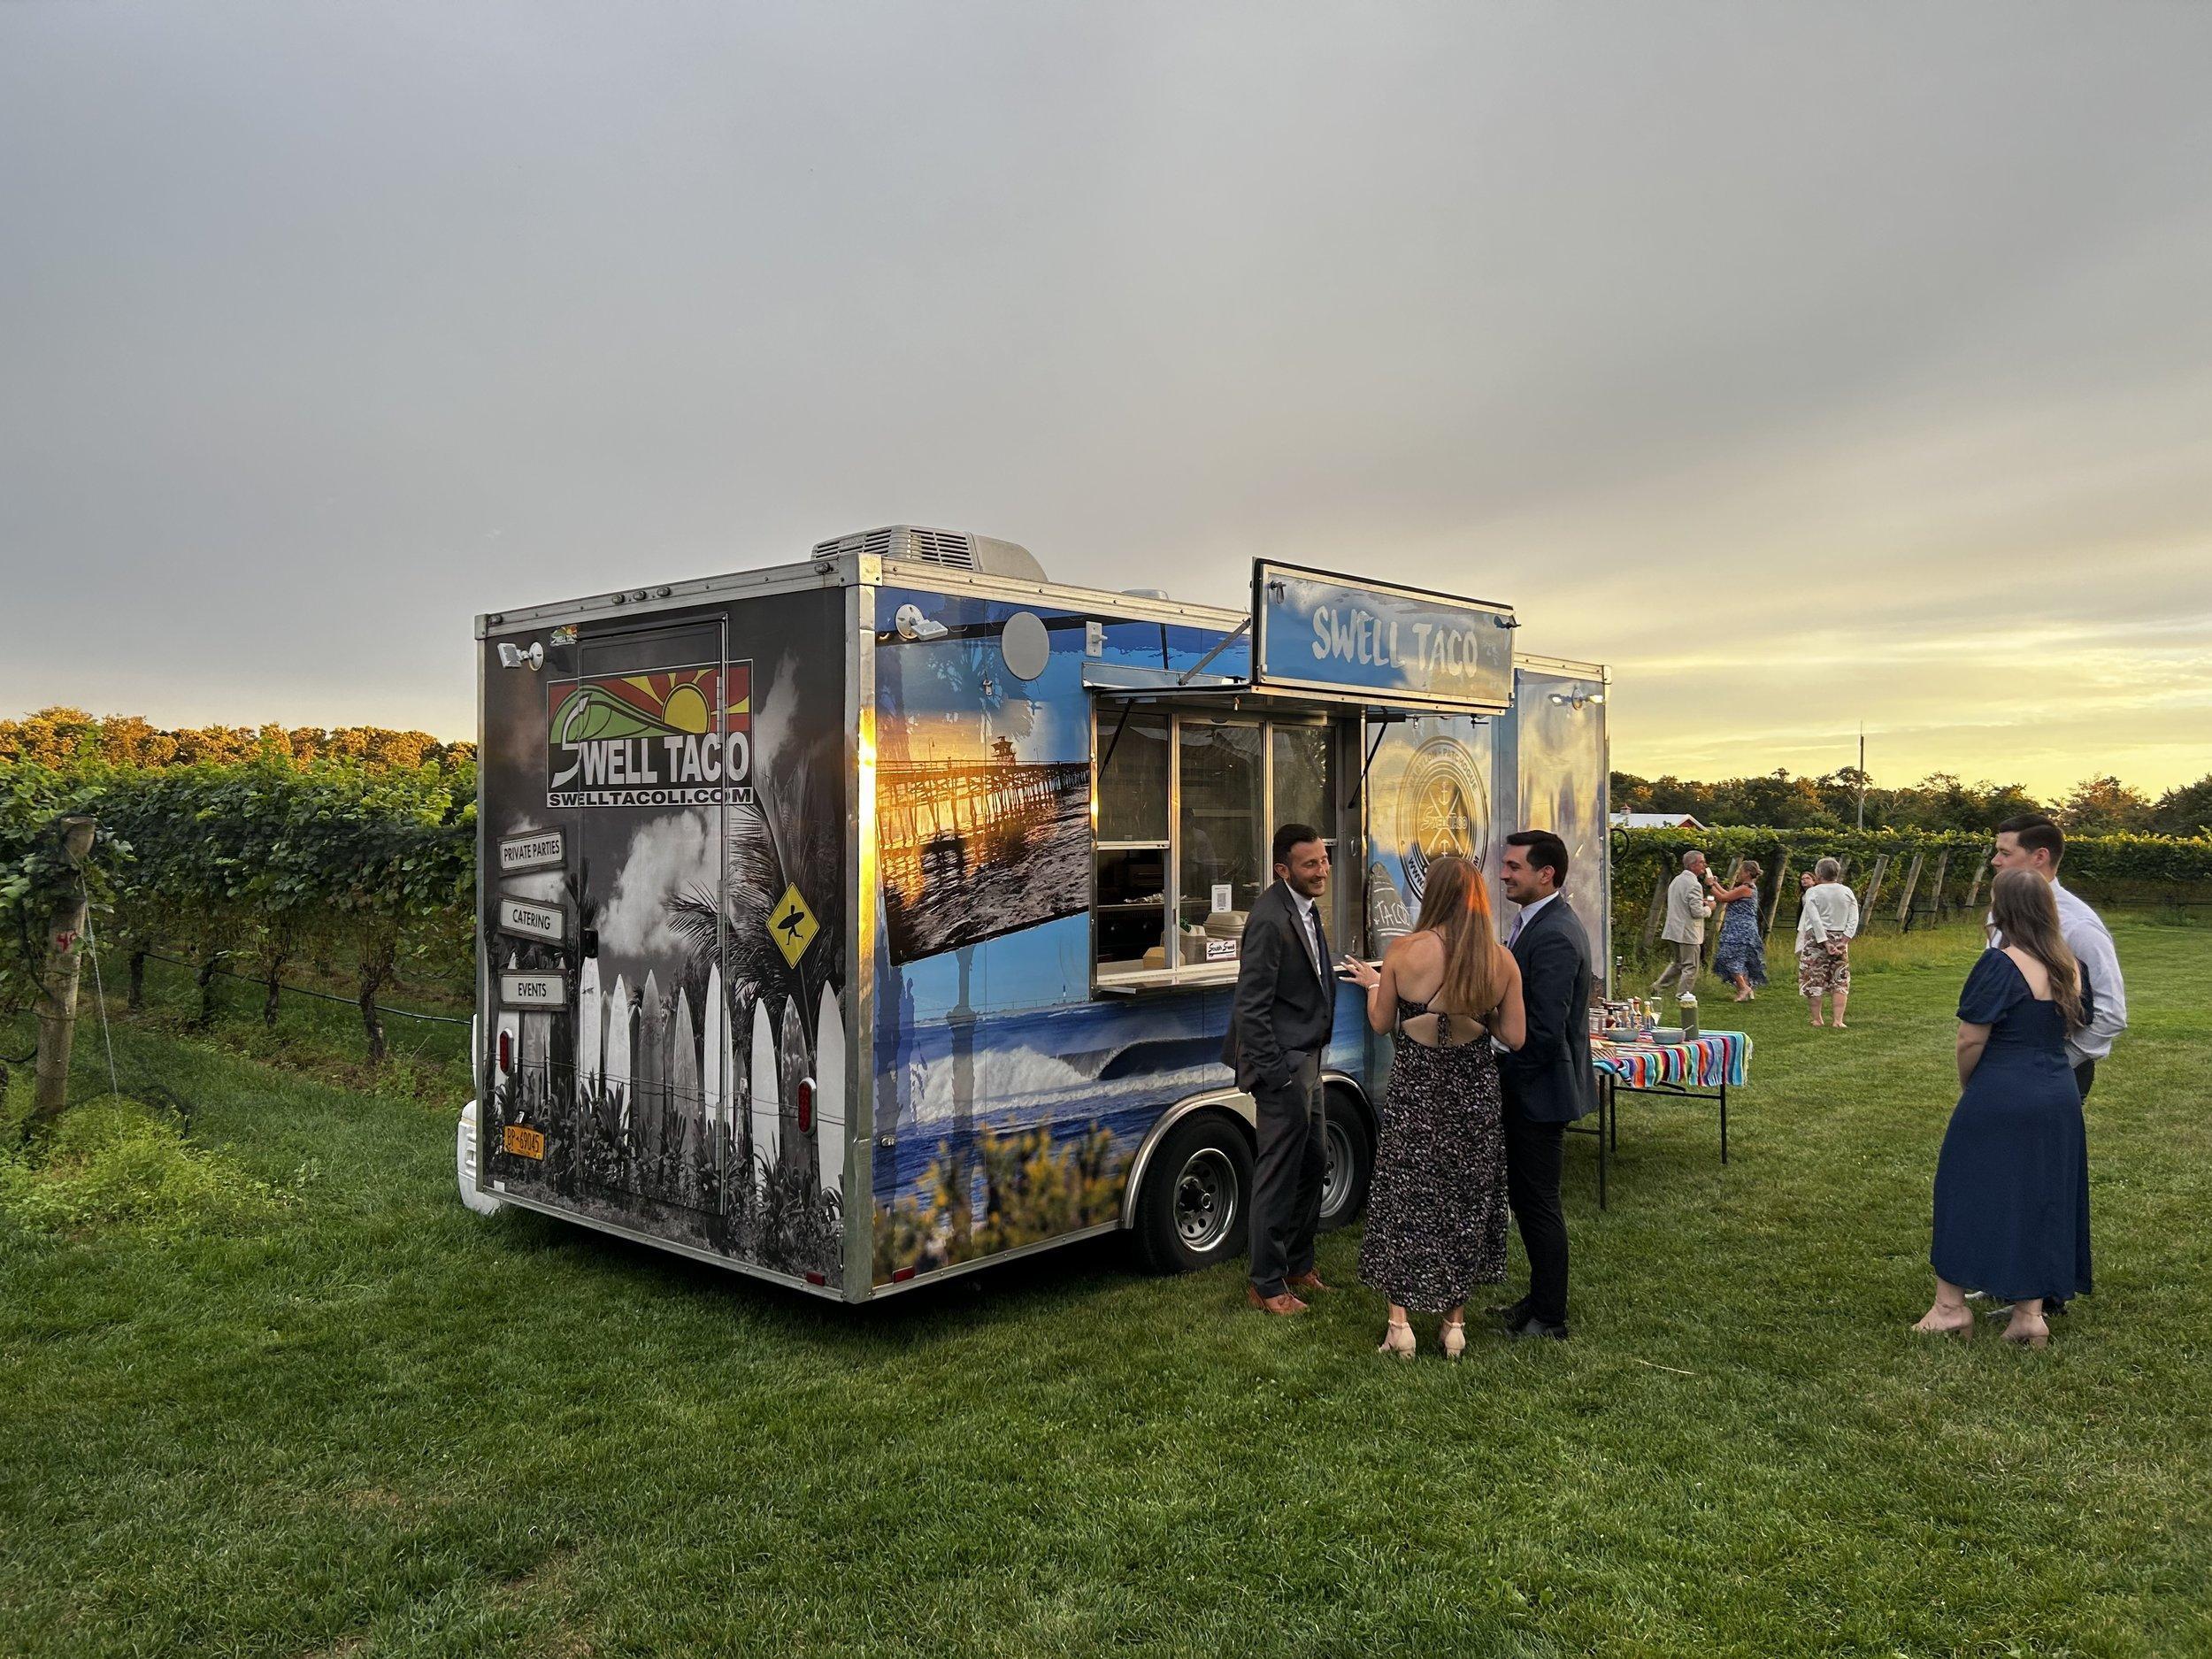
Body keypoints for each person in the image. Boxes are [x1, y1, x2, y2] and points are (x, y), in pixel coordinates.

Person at [1342, 855, 1525, 1360]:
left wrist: (1374, 984)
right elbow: (1515, 1036)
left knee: (1405, 1197)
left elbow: (1381, 1023)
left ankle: (1399, 1325)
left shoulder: (1403, 951)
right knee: (1464, 1199)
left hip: (1416, 1090)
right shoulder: (1500, 961)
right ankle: (1454, 1325)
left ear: (1432, 895)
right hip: (1472, 1092)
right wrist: (1478, 1013)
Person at [1914, 870, 2093, 1348]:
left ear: (2004, 910)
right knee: (2042, 1194)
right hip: (2058, 1093)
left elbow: (1970, 1039)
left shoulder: (1999, 963)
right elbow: (2077, 1028)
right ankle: (2029, 1316)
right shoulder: (2071, 967)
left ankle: (1949, 1308)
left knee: (1963, 1188)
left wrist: (1973, 1086)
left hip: (2003, 1090)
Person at [1221, 823, 1336, 1316]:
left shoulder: (1305, 907)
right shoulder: (1269, 919)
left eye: (1324, 859)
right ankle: (1266, 1284)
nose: (1322, 870)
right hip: (1284, 1069)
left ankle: (1297, 1264)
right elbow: (1250, 1009)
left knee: (1313, 1161)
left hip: (1309, 1060)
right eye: (1310, 864)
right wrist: (1279, 1077)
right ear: (1282, 869)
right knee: (1278, 1173)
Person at [1491, 829, 1598, 1341]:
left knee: (1538, 1204)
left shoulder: (1554, 933)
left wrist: (1501, 1066)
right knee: (1527, 1199)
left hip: (1538, 1093)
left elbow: (1543, 1030)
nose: (1504, 874)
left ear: (1546, 873)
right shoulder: (1536, 922)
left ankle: (1550, 1317)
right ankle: (1537, 1298)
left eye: (1514, 867)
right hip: (1532, 1088)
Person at [1988, 815, 2126, 1103]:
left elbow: (2111, 1013)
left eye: (2005, 853)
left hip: (2055, 1073)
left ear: (2040, 857)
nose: (1995, 861)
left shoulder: (2079, 925)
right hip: (2001, 1061)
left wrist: (2058, 1061)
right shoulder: (2002, 909)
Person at [1796, 857, 1858, 1027]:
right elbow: (1853, 918)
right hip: (1840, 937)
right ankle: (1838, 1020)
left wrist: (1824, 941)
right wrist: (1845, 939)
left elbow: (1814, 918)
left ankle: (1817, 1019)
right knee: (1840, 977)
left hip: (1816, 940)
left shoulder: (1813, 892)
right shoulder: (1847, 891)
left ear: (1818, 874)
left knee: (1813, 976)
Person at [1652, 849, 1714, 997]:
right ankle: (1683, 995)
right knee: (1690, 966)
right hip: (1688, 932)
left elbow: (1683, 902)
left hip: (1673, 929)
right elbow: (1697, 912)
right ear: (1692, 865)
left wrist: (1701, 902)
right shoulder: (1694, 885)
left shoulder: (1677, 880)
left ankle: (1658, 987)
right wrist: (1709, 908)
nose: (1704, 865)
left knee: (1678, 963)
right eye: (1701, 862)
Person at [1709, 858, 1768, 1002]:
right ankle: (1746, 989)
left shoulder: (1745, 888)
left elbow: (1723, 898)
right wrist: (1716, 884)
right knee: (1740, 959)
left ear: (1747, 873)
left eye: (1741, 871)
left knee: (1729, 957)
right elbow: (1728, 895)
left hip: (1739, 930)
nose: (1739, 874)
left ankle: (1743, 987)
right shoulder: (1747, 887)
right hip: (1743, 929)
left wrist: (1709, 886)